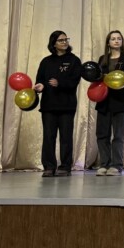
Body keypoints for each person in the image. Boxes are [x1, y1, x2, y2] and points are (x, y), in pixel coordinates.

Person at [33, 30, 82, 177]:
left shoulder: (74, 60)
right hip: (48, 105)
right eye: (61, 40)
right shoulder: (46, 61)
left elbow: (74, 81)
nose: (64, 42)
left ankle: (65, 166)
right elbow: (40, 79)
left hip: (67, 105)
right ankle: (49, 166)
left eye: (66, 39)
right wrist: (40, 86)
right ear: (53, 43)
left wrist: (59, 83)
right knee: (49, 137)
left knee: (66, 137)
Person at [96, 30, 124, 176]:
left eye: (119, 38)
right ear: (108, 43)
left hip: (120, 101)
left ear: (122, 41)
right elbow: (97, 77)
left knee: (118, 135)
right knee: (102, 134)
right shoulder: (103, 59)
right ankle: (104, 164)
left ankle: (116, 165)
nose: (116, 41)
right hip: (104, 101)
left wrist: (118, 78)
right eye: (113, 39)